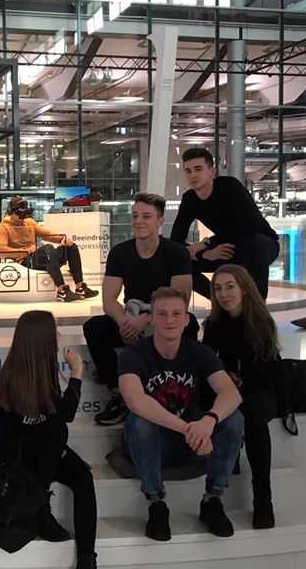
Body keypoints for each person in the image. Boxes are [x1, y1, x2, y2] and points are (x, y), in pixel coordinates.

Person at [0, 310, 119, 569]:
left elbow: (53, 420)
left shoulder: (42, 371)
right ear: (40, 340)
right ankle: (40, 506)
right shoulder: (11, 378)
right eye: (54, 332)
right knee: (56, 433)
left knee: (82, 476)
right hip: (18, 463)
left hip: (45, 456)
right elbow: (61, 417)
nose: (59, 337)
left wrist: (54, 444)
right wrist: (77, 372)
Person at [118, 287, 244, 541]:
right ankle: (156, 503)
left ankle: (212, 500)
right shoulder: (134, 354)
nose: (169, 320)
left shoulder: (199, 352)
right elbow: (135, 400)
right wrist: (189, 429)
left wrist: (209, 421)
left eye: (176, 314)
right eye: (162, 314)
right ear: (151, 319)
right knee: (139, 421)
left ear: (186, 320)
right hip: (154, 443)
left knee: (234, 419)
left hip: (191, 442)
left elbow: (232, 394)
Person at [83, 192, 197, 427]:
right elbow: (109, 299)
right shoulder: (120, 253)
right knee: (94, 327)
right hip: (131, 318)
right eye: (135, 216)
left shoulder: (176, 253)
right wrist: (124, 323)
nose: (138, 221)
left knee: (190, 324)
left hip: (162, 319)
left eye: (146, 216)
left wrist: (146, 319)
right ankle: (119, 394)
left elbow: (180, 300)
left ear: (159, 222)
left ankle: (183, 391)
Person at [202, 265, 280, 529]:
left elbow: (265, 372)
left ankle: (263, 496)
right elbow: (208, 365)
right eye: (218, 288)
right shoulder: (213, 326)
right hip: (230, 390)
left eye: (230, 287)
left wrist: (235, 384)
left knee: (253, 415)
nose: (223, 294)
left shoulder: (261, 322)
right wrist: (226, 380)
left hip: (260, 390)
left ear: (244, 289)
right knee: (225, 408)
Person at [170, 148, 281, 300]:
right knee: (177, 261)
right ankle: (219, 299)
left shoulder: (229, 186)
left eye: (198, 169)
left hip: (262, 245)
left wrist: (207, 243)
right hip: (225, 249)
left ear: (212, 171)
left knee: (254, 243)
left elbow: (249, 225)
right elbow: (176, 241)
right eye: (188, 171)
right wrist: (205, 254)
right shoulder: (189, 199)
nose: (193, 175)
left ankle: (256, 305)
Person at [0, 195, 99, 302]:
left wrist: (62, 238)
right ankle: (62, 291)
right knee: (48, 248)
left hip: (37, 257)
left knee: (71, 247)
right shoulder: (3, 228)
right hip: (25, 261)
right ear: (13, 211)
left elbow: (46, 234)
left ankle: (80, 288)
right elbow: (0, 250)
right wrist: (25, 251)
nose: (24, 215)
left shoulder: (28, 222)